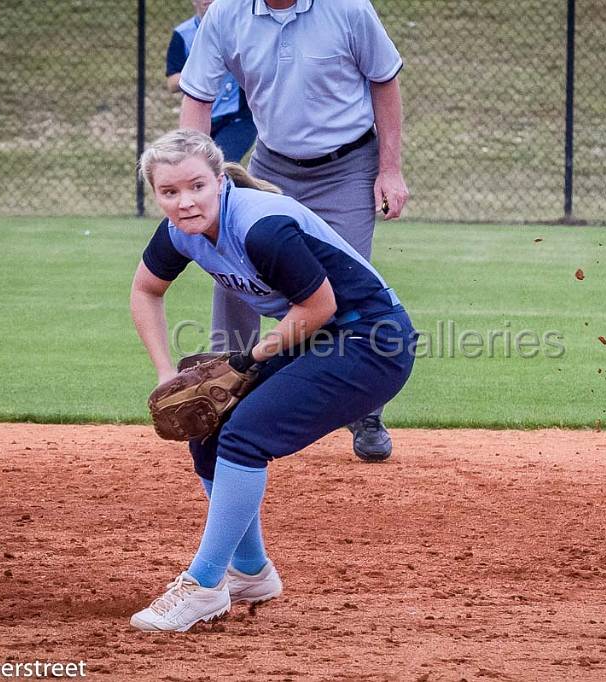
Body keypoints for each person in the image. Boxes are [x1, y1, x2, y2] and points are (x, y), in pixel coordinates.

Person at [128, 130, 416, 631]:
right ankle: (251, 571)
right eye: (169, 192)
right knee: (211, 432)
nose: (185, 201)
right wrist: (165, 372)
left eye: (197, 185)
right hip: (321, 336)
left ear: (220, 181)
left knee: (246, 434)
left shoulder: (261, 226)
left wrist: (251, 358)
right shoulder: (179, 232)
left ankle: (204, 584)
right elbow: (145, 290)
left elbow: (319, 305)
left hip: (374, 341)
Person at [177, 0, 410, 462]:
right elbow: (197, 98)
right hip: (270, 163)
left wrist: (390, 170)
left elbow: (385, 80)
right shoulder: (227, 13)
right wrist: (192, 178)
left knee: (342, 291)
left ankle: (366, 410)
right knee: (231, 274)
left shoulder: (348, 8)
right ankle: (225, 389)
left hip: (346, 166)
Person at [165, 0, 256, 163]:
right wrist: (205, 71)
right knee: (196, 165)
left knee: (223, 165)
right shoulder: (183, 34)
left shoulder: (239, 26)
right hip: (201, 115)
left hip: (237, 117)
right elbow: (172, 82)